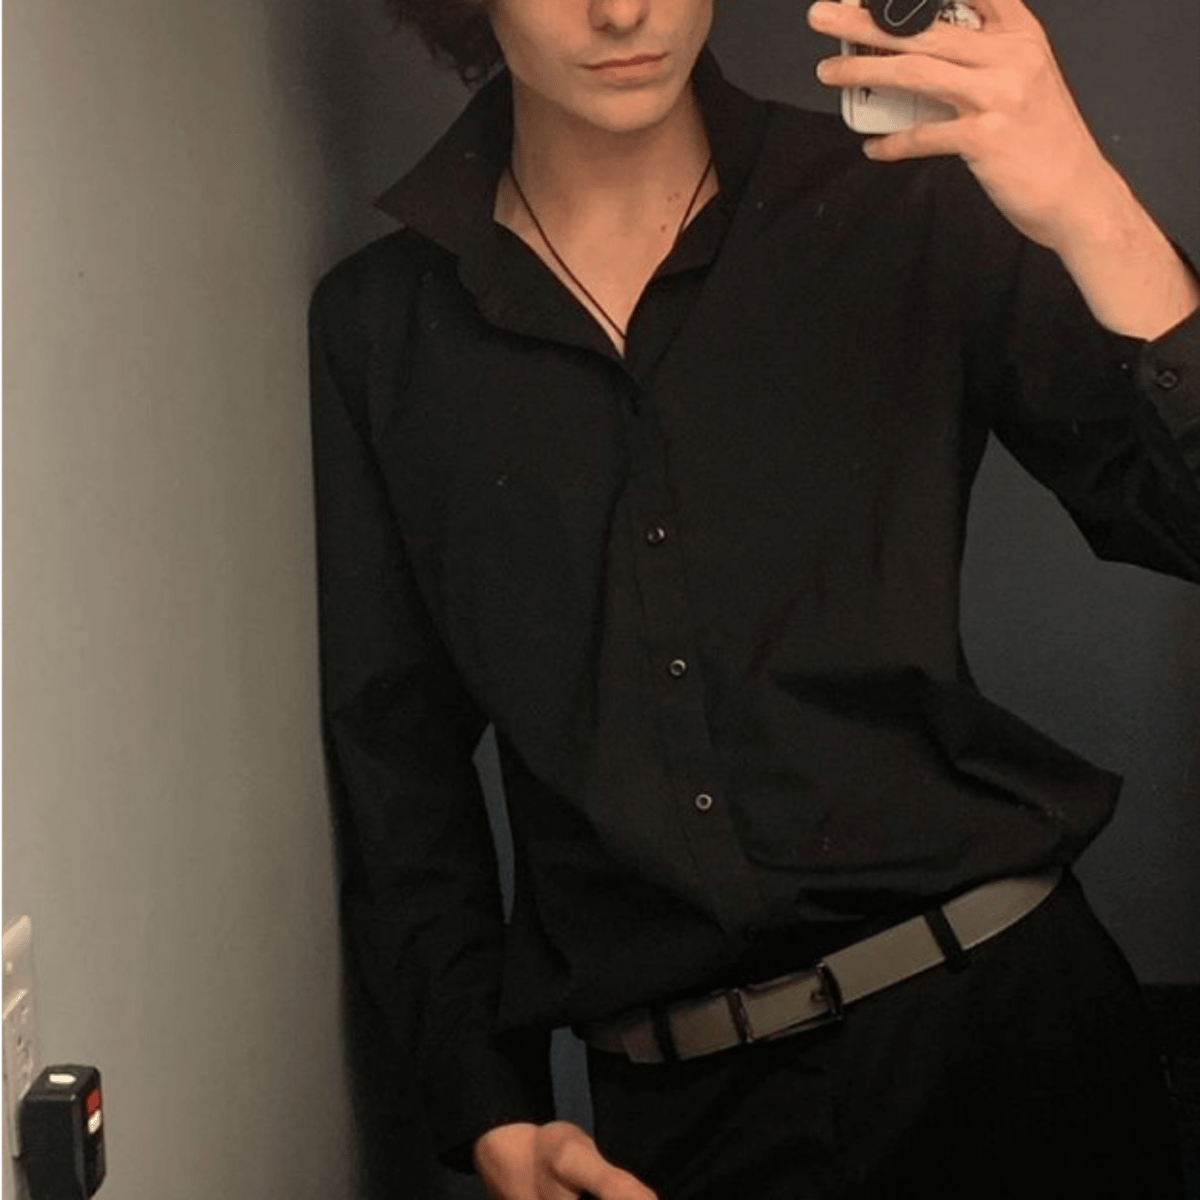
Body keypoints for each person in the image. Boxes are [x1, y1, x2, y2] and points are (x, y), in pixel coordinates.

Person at [308, 0, 1200, 1196]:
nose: (623, 8)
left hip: (1011, 1051)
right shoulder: (382, 331)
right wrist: (488, 1106)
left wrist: (1092, 207)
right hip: (684, 1126)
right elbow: (398, 759)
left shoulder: (904, 201)